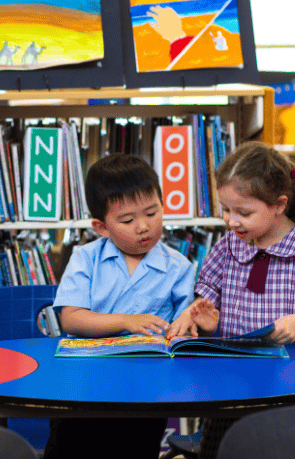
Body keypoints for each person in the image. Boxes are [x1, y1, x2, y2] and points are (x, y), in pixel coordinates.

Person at [166, 140, 295, 459]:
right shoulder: (230, 244)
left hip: (292, 385)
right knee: (220, 452)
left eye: (243, 212)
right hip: (231, 384)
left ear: (279, 205)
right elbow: (207, 298)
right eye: (226, 210)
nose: (231, 221)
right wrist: (197, 315)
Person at [44, 153, 196, 459]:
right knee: (68, 449)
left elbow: (186, 325)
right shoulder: (86, 258)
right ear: (101, 226)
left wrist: (191, 319)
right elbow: (71, 319)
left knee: (136, 449)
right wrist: (127, 321)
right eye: (127, 220)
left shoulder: (179, 266)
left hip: (146, 389)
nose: (143, 227)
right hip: (84, 385)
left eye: (152, 213)